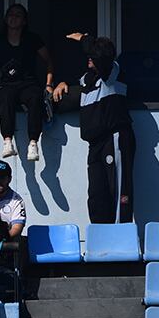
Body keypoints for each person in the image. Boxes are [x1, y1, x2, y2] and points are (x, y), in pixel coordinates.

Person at [52, 33, 134, 224]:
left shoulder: (113, 72)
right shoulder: (87, 80)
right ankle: (100, 244)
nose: (89, 57)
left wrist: (84, 39)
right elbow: (73, 90)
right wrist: (62, 83)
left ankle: (121, 244)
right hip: (95, 144)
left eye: (92, 54)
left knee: (119, 192)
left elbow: (102, 58)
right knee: (97, 197)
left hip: (114, 138)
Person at [0, 4, 54, 162]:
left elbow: (49, 62)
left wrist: (48, 84)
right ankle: (7, 141)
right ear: (6, 19)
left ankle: (33, 142)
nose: (14, 18)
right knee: (5, 97)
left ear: (24, 21)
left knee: (35, 97)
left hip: (28, 83)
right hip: (6, 84)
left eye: (18, 15)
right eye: (11, 15)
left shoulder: (32, 40)